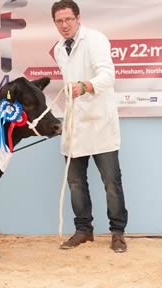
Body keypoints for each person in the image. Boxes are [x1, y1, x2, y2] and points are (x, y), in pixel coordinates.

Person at [51, 0, 128, 252]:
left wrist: (83, 86)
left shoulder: (95, 40)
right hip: (75, 124)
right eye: (59, 21)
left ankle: (117, 232)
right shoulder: (60, 49)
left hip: (100, 123)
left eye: (68, 19)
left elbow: (108, 75)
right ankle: (84, 230)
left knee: (111, 182)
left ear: (78, 18)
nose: (64, 25)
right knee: (75, 182)